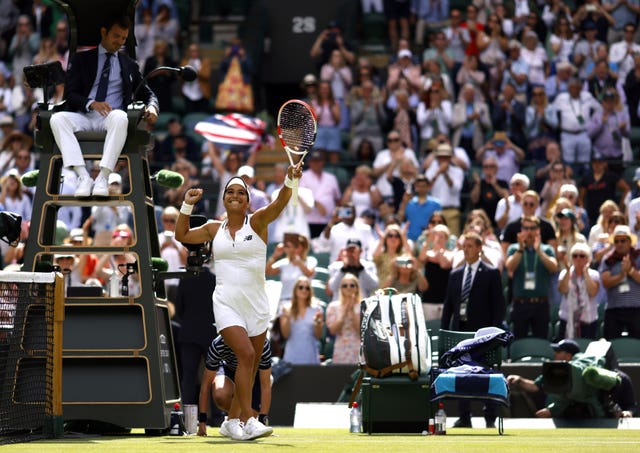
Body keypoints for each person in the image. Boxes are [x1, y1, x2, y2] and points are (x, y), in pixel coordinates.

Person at [175, 162, 303, 440]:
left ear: (247, 201)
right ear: (223, 199)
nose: (235, 195)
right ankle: (250, 418)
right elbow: (182, 235)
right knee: (245, 355)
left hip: (256, 304)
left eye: (241, 193)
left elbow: (280, 202)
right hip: (226, 303)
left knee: (251, 364)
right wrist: (187, 205)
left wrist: (290, 181)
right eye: (230, 192)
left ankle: (231, 421)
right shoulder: (211, 229)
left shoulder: (257, 222)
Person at [49, 14, 158, 198]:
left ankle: (103, 177)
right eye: (116, 36)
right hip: (84, 115)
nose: (120, 42)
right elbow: (70, 95)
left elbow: (148, 94)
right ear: (104, 32)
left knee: (121, 117)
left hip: (112, 118)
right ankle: (83, 176)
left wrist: (153, 107)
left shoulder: (129, 64)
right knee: (57, 119)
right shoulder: (82, 59)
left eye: (123, 38)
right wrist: (92, 104)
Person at [441, 231, 506, 428]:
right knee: (462, 371)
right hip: (460, 330)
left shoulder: (491, 273)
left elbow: (498, 305)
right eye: (464, 246)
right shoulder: (456, 274)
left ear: (479, 248)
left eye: (470, 246)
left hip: (482, 334)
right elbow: (448, 307)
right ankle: (464, 416)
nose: (466, 249)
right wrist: (445, 331)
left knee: (486, 372)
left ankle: (490, 416)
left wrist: (494, 333)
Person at [507, 339, 637, 418]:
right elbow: (537, 386)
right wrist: (519, 380)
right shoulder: (554, 371)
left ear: (569, 356)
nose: (554, 354)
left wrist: (627, 413)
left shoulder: (621, 379)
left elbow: (631, 405)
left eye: (558, 352)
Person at [197, 335, 272, 438]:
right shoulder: (218, 344)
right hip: (229, 369)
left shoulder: (262, 344)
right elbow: (205, 385)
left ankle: (241, 418)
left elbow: (265, 385)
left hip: (254, 375)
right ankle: (234, 419)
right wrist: (202, 423)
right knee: (220, 394)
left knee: (249, 421)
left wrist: (263, 423)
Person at [505, 216, 559, 339]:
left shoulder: (547, 249)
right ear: (521, 230)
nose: (529, 231)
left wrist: (539, 251)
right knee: (518, 340)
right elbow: (510, 267)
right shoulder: (514, 248)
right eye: (526, 228)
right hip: (520, 303)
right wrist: (520, 249)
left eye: (532, 228)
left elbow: (554, 268)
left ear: (538, 230)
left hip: (540, 303)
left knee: (541, 340)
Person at [599, 225, 640, 339]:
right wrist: (622, 275)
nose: (619, 244)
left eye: (623, 240)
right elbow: (606, 282)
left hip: (636, 308)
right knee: (611, 345)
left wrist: (631, 270)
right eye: (616, 241)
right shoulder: (608, 259)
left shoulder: (638, 257)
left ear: (630, 241)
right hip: (614, 309)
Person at [557, 242, 601, 340]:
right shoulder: (564, 273)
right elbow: (563, 290)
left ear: (588, 258)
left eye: (582, 256)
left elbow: (593, 292)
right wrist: (568, 271)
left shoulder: (594, 275)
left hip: (588, 320)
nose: (578, 258)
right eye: (575, 255)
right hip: (567, 319)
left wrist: (585, 273)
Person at [279, 276, 324, 365]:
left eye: (307, 288)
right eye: (301, 287)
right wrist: (287, 318)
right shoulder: (285, 308)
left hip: (311, 355)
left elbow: (318, 336)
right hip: (292, 355)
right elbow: (285, 335)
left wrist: (317, 322)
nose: (304, 290)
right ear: (295, 290)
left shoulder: (317, 309)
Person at [325, 273, 362, 364]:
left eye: (352, 285)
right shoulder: (333, 306)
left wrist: (352, 311)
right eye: (345, 285)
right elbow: (333, 330)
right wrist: (344, 312)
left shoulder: (364, 306)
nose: (348, 288)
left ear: (357, 288)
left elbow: (361, 332)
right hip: (341, 350)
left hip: (358, 350)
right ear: (341, 289)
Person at [397, 174, 441, 242]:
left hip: (429, 240)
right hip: (411, 240)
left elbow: (439, 223)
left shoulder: (436, 204)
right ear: (415, 187)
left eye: (423, 186)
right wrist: (404, 202)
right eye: (419, 186)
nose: (421, 188)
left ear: (428, 187)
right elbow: (399, 219)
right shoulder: (409, 203)